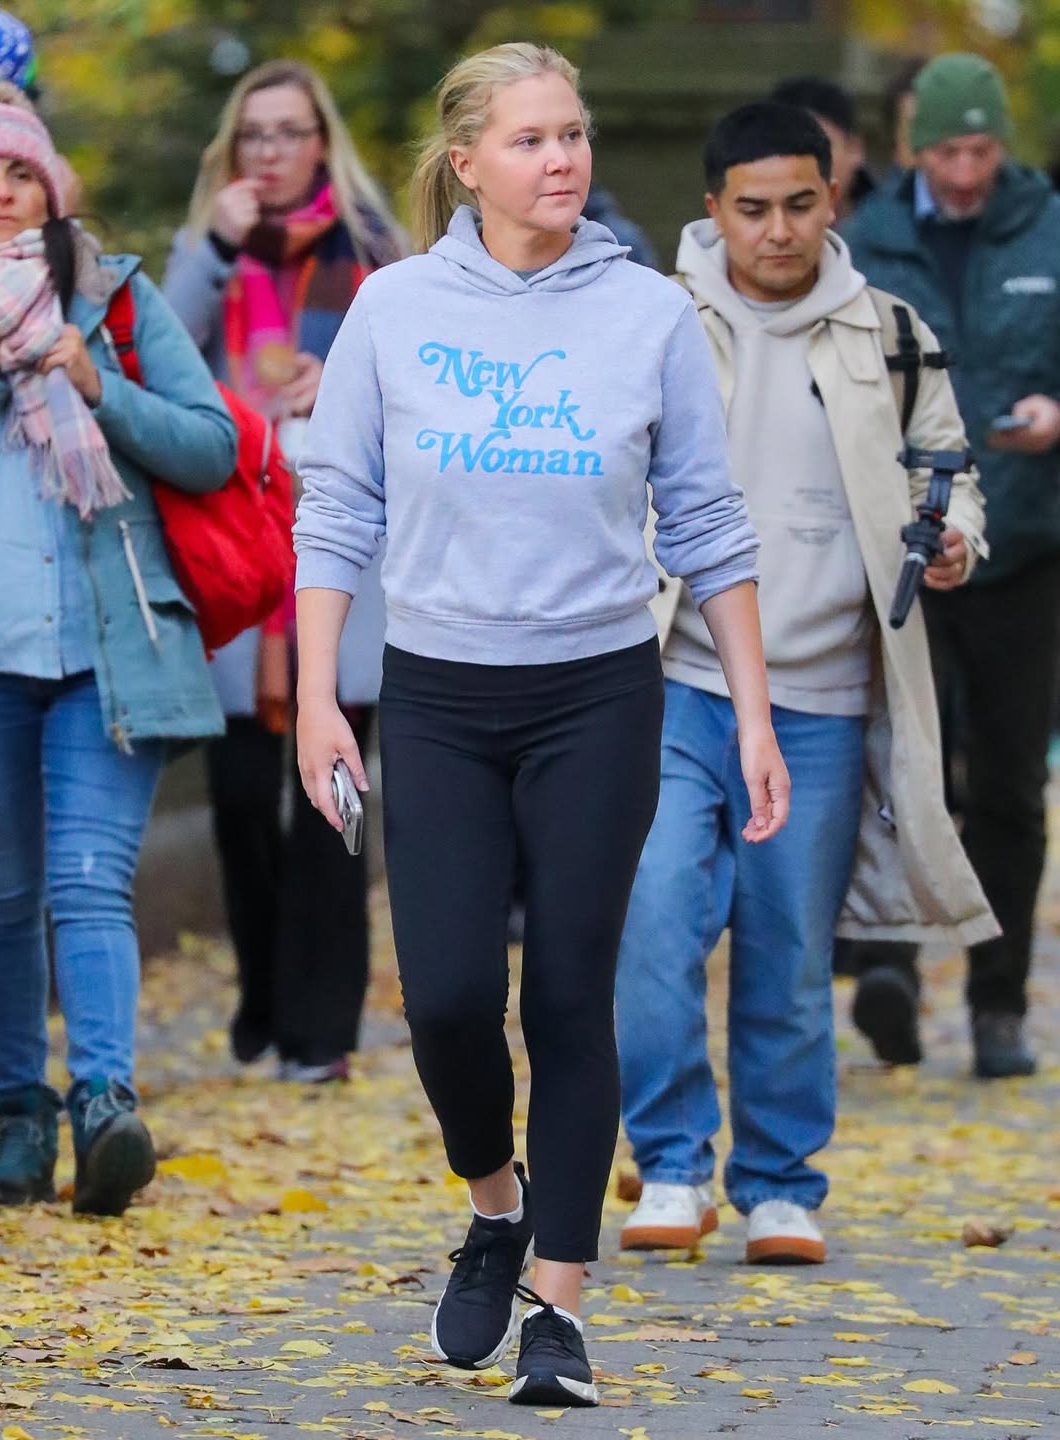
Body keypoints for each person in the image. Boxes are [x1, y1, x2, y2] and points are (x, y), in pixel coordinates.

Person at [293, 41, 787, 1410]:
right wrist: (320, 697)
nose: (562, 158)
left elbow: (708, 522)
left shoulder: (648, 315)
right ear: (466, 163)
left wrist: (753, 716)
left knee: (571, 992)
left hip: (597, 694)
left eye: (573, 133)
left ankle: (558, 1310)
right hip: (441, 696)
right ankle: (496, 1205)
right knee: (449, 997)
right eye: (530, 139)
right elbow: (336, 508)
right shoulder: (394, 308)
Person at [615, 102, 994, 1265]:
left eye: (799, 204)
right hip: (676, 680)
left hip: (825, 696)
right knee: (652, 920)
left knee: (786, 952)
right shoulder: (652, 321)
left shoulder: (891, 332)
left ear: (833, 200)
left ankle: (781, 1183)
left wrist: (955, 541)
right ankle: (671, 1163)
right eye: (752, 208)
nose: (777, 230)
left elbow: (948, 474)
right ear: (713, 208)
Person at [0, 92, 237, 1211]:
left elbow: (212, 445)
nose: (0, 195)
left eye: (20, 175)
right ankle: (19, 1119)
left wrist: (99, 385)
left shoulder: (115, 297)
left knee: (88, 885)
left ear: (53, 190)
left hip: (110, 652)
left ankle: (104, 1106)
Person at [162, 60, 404, 1081]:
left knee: (331, 806)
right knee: (238, 801)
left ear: (321, 142)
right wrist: (214, 249)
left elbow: (416, 389)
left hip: (343, 563)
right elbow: (154, 359)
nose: (270, 151)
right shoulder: (207, 253)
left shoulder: (377, 255)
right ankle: (264, 991)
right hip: (235, 559)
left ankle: (322, 1031)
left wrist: (335, 379)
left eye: (289, 132)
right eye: (253, 134)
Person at [842, 53, 1060, 1078]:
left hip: (1022, 544)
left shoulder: (1047, 226)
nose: (966, 173)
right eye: (947, 153)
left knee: (1009, 785)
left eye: (981, 150)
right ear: (912, 147)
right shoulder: (867, 238)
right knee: (899, 766)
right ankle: (886, 967)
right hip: (903, 544)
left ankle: (997, 1003)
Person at [770, 76, 876, 222]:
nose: (803, 164)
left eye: (816, 148)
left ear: (855, 149)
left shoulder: (895, 227)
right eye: (787, 150)